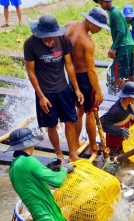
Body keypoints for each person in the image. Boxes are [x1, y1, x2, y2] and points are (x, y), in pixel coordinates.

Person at [24, 15, 84, 163]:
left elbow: (69, 65)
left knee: (70, 121)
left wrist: (76, 88)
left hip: (63, 89)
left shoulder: (63, 39)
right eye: (46, 39)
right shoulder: (30, 44)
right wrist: (41, 96)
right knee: (51, 125)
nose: (50, 42)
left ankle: (72, 153)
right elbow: (31, 72)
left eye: (52, 38)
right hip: (45, 92)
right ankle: (59, 155)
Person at [65, 7, 109, 155]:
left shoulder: (69, 26)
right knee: (91, 112)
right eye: (99, 27)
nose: (100, 30)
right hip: (84, 78)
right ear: (91, 22)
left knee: (79, 111)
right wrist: (98, 91)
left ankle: (76, 142)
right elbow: (91, 70)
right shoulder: (88, 42)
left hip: (72, 77)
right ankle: (93, 146)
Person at [6, 128, 74, 221]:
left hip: (39, 215)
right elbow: (57, 181)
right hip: (46, 216)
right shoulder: (29, 161)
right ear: (31, 144)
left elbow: (30, 180)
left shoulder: (13, 167)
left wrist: (48, 167)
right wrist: (64, 169)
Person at [95, 0, 134, 90]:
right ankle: (133, 93)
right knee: (130, 72)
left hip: (123, 47)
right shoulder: (115, 11)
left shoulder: (114, 13)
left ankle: (123, 96)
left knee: (117, 73)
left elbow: (121, 32)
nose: (101, 5)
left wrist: (113, 48)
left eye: (101, 3)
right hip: (129, 45)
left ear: (106, 2)